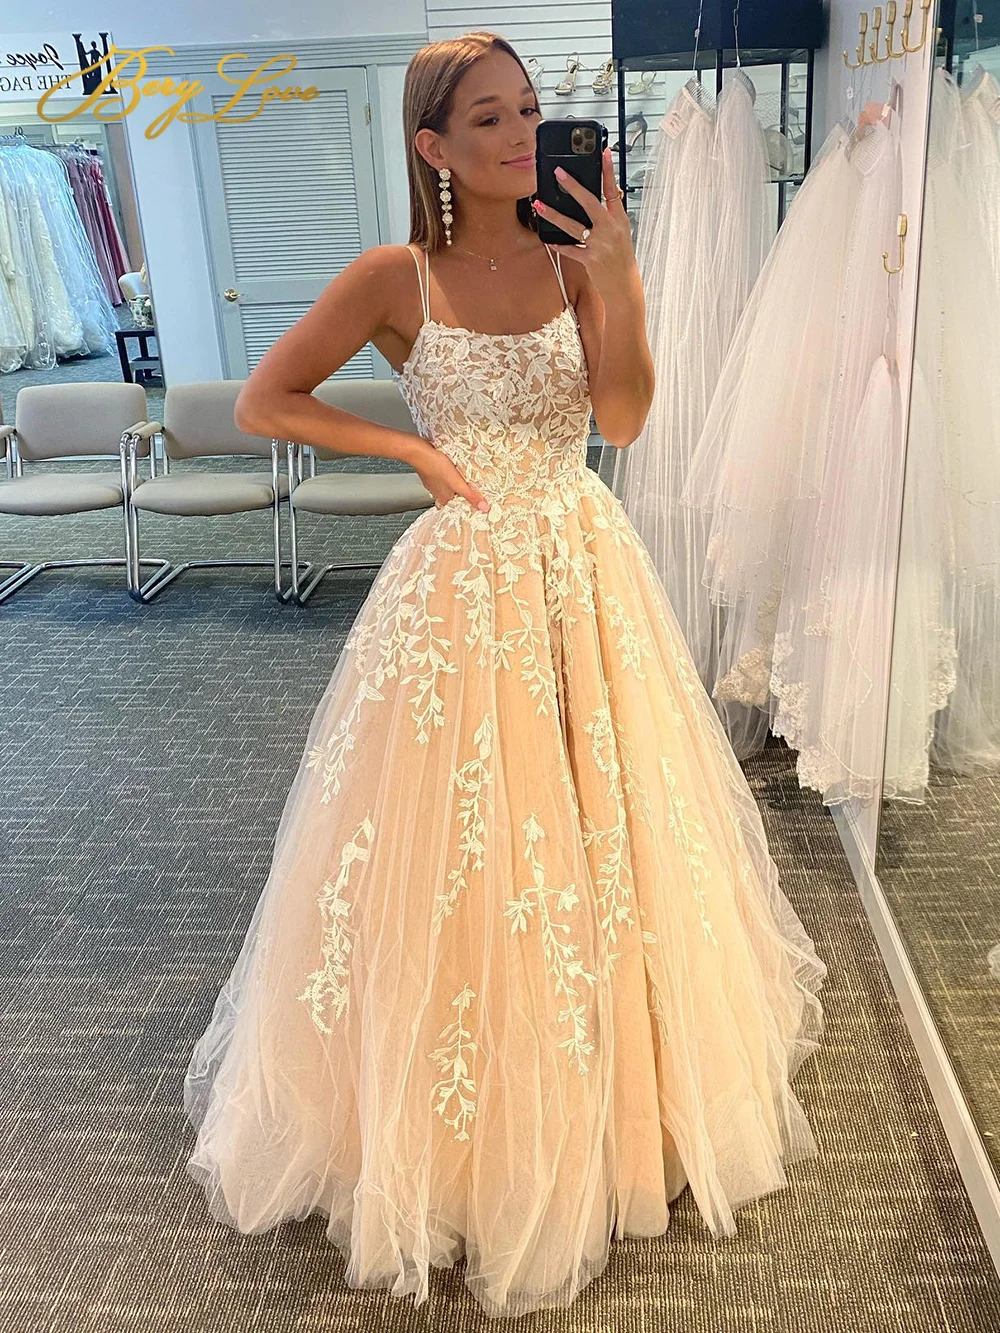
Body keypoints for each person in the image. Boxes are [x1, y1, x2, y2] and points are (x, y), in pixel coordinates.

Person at [182, 30, 827, 1321]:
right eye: (489, 120)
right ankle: (464, 1125)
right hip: (462, 582)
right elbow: (266, 402)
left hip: (585, 563)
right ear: (432, 145)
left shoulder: (576, 255)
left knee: (606, 817)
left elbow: (624, 419)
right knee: (464, 842)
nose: (524, 137)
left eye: (531, 112)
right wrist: (412, 453)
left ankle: (624, 1099)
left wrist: (621, 276)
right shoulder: (396, 276)